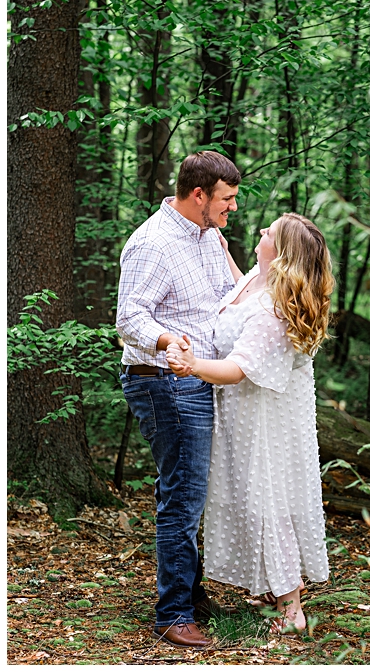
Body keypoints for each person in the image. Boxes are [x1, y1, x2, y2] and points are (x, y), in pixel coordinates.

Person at [165, 213, 334, 634]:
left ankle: (291, 608)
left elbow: (239, 367)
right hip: (242, 415)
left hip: (263, 421)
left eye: (269, 233)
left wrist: (191, 365)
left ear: (281, 254)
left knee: (267, 502)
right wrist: (222, 253)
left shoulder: (276, 310)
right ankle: (268, 587)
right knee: (246, 499)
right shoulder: (257, 282)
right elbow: (243, 291)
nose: (260, 233)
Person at [117, 150, 243, 649]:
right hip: (163, 380)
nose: (231, 208)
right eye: (226, 200)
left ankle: (189, 594)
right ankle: (172, 614)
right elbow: (130, 318)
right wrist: (171, 342)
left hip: (199, 378)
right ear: (199, 195)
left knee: (185, 489)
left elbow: (226, 295)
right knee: (183, 498)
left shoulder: (208, 236)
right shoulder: (153, 243)